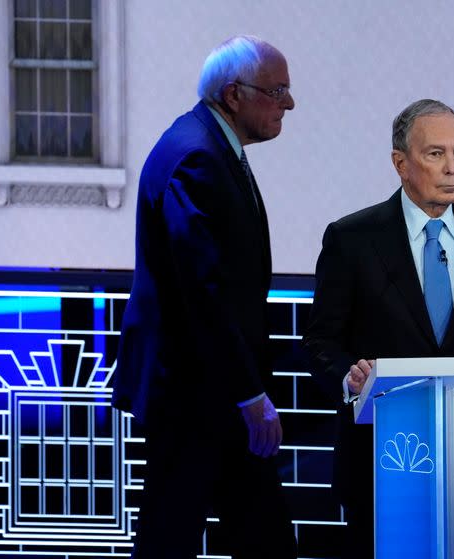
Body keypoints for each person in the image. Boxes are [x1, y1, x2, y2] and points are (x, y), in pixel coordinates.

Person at [302, 99, 454, 558]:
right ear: (400, 163)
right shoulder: (352, 238)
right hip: (381, 462)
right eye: (436, 154)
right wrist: (351, 379)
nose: (453, 168)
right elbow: (321, 341)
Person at [111, 35, 297, 558]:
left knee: (249, 535)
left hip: (207, 393)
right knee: (182, 537)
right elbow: (204, 290)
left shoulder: (206, 146)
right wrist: (249, 394)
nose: (289, 104)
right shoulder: (197, 156)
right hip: (198, 396)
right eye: (277, 90)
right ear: (234, 94)